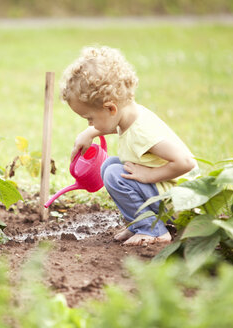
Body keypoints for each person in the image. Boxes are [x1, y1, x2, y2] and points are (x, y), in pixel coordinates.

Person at [60, 46, 198, 246]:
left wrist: (149, 175)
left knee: (114, 175)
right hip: (169, 196)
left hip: (182, 204)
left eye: (89, 119)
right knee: (109, 166)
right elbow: (111, 124)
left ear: (110, 108)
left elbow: (186, 162)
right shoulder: (129, 116)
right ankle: (140, 223)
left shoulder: (142, 132)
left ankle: (153, 230)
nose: (89, 124)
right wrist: (90, 132)